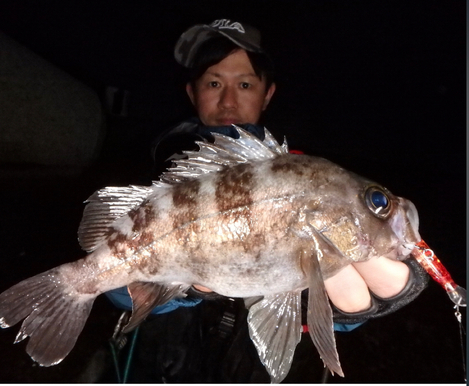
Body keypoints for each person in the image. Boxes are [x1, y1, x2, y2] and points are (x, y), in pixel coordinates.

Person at [103, 19, 429, 382]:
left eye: (244, 84)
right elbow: (113, 281)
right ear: (192, 92)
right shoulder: (149, 171)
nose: (228, 99)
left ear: (268, 93)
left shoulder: (304, 173)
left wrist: (344, 312)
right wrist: (172, 287)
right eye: (214, 83)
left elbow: (313, 306)